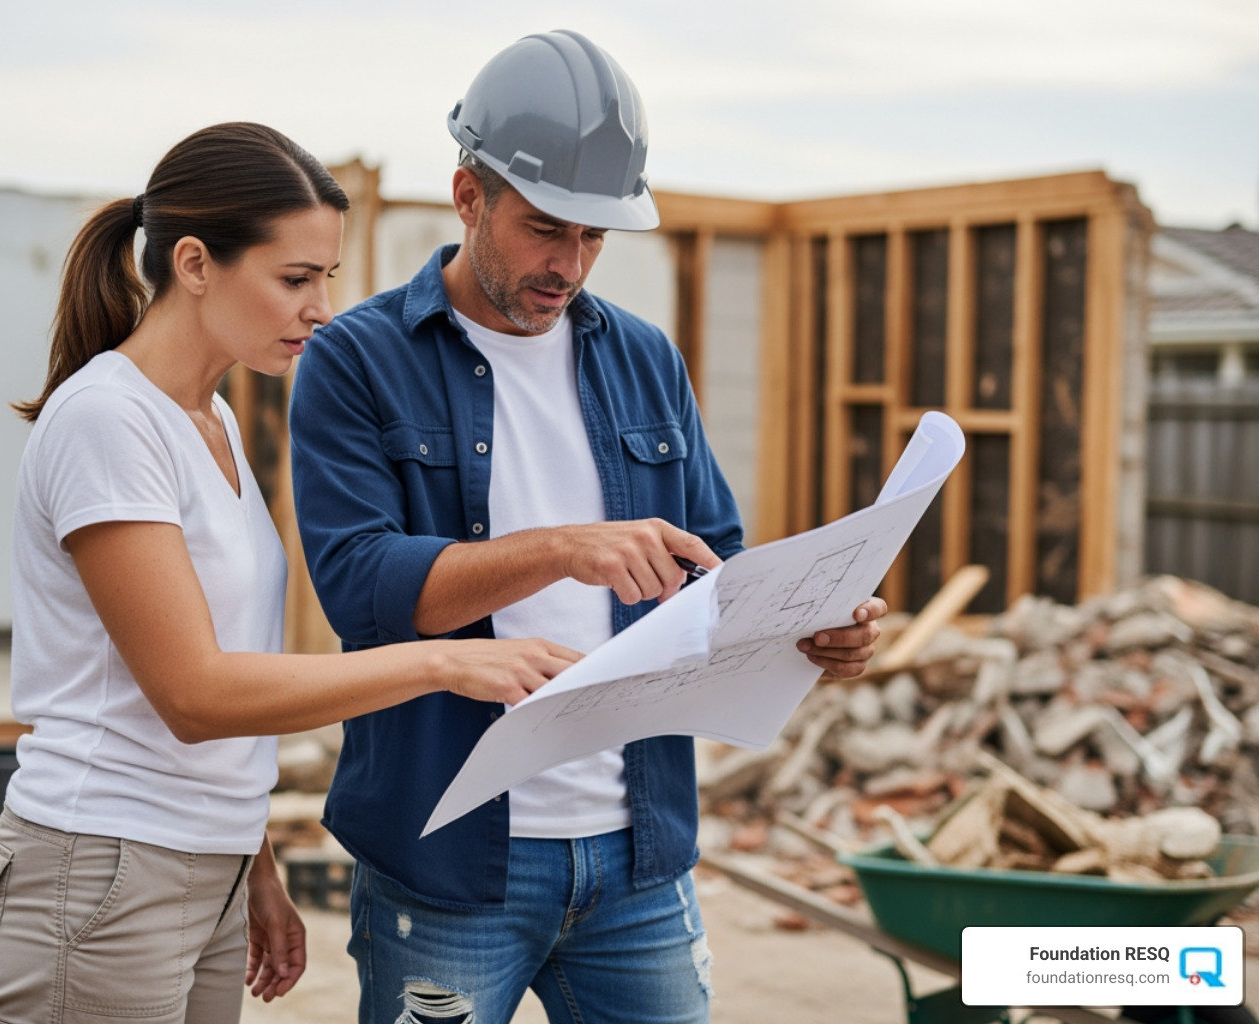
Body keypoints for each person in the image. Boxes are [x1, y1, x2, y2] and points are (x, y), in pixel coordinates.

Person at [289, 32, 888, 1024]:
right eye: (544, 229)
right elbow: (360, 585)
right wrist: (565, 547)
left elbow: (712, 566)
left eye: (594, 238)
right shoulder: (357, 359)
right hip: (448, 863)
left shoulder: (644, 359)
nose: (568, 265)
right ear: (468, 195)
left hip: (638, 863)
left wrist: (807, 622)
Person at [0, 122, 579, 1024]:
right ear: (194, 263)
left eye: (326, 278)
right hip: (101, 867)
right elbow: (195, 692)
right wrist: (447, 661)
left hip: (198, 864)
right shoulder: (106, 420)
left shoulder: (205, 419)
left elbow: (219, 689)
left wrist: (251, 863)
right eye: (295, 279)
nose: (321, 308)